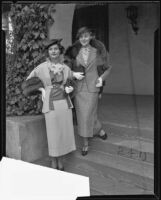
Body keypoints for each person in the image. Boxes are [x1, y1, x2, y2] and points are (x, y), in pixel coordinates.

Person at [24, 39, 84, 170]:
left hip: (64, 104)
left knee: (62, 132)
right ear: (48, 52)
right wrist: (41, 89)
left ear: (60, 51)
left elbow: (70, 78)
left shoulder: (65, 67)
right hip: (50, 105)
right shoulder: (41, 68)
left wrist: (71, 85)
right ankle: (53, 159)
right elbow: (28, 83)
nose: (54, 51)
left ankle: (61, 159)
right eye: (51, 49)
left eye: (56, 49)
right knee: (53, 133)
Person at [65, 26, 112, 156]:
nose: (83, 39)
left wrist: (102, 79)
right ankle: (97, 131)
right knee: (82, 116)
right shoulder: (74, 52)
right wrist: (73, 73)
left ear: (91, 36)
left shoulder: (97, 51)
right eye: (81, 37)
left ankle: (87, 143)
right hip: (79, 89)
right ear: (79, 39)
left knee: (88, 114)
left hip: (93, 87)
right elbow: (66, 68)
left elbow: (107, 68)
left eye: (86, 36)